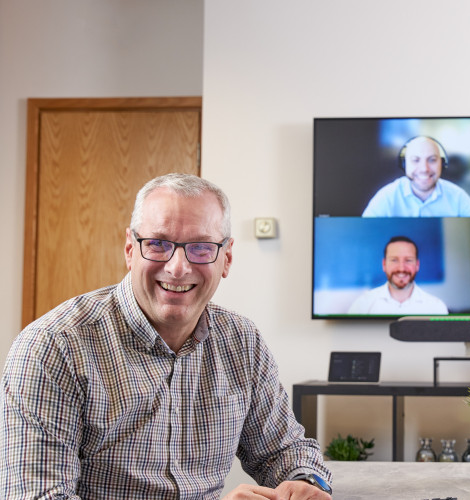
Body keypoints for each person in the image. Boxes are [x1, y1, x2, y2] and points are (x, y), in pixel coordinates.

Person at [0, 174, 332, 499]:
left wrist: (304, 482)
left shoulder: (242, 341)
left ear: (226, 258)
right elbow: (38, 494)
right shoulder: (52, 346)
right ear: (130, 249)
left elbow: (282, 450)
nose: (177, 267)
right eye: (158, 244)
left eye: (201, 248)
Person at [362, 136, 470, 217]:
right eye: (415, 160)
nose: (424, 169)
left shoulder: (458, 196)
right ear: (404, 165)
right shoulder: (387, 196)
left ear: (442, 164)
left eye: (432, 160)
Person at [348, 236, 448, 315]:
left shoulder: (436, 307)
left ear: (417, 265)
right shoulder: (362, 305)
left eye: (408, 260)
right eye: (394, 260)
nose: (401, 268)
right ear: (384, 264)